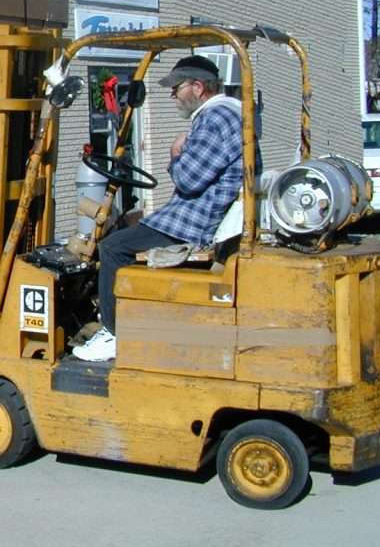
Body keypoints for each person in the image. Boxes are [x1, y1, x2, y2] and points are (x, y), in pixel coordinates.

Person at [72, 55, 250, 362]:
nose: (172, 95)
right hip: (201, 214)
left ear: (197, 87)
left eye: (177, 88)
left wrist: (174, 153)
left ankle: (114, 334)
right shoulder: (231, 114)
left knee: (112, 247)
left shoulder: (216, 117)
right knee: (125, 232)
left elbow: (189, 179)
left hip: (194, 223)